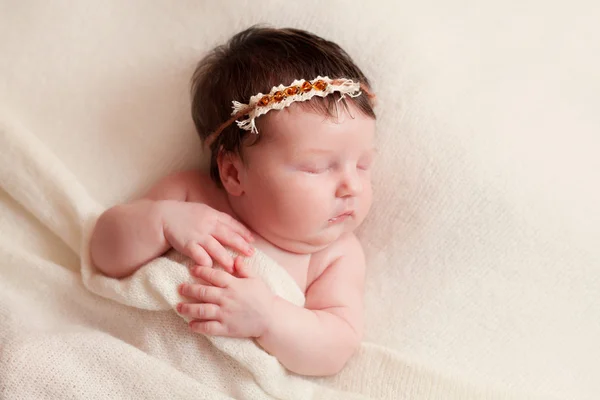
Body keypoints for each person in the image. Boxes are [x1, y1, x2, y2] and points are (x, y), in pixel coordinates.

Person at [90, 26, 377, 376]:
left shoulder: (333, 255)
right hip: (127, 360)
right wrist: (162, 223)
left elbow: (334, 349)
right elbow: (104, 253)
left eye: (363, 165)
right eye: (317, 167)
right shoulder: (189, 196)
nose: (352, 185)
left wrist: (269, 318)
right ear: (234, 174)